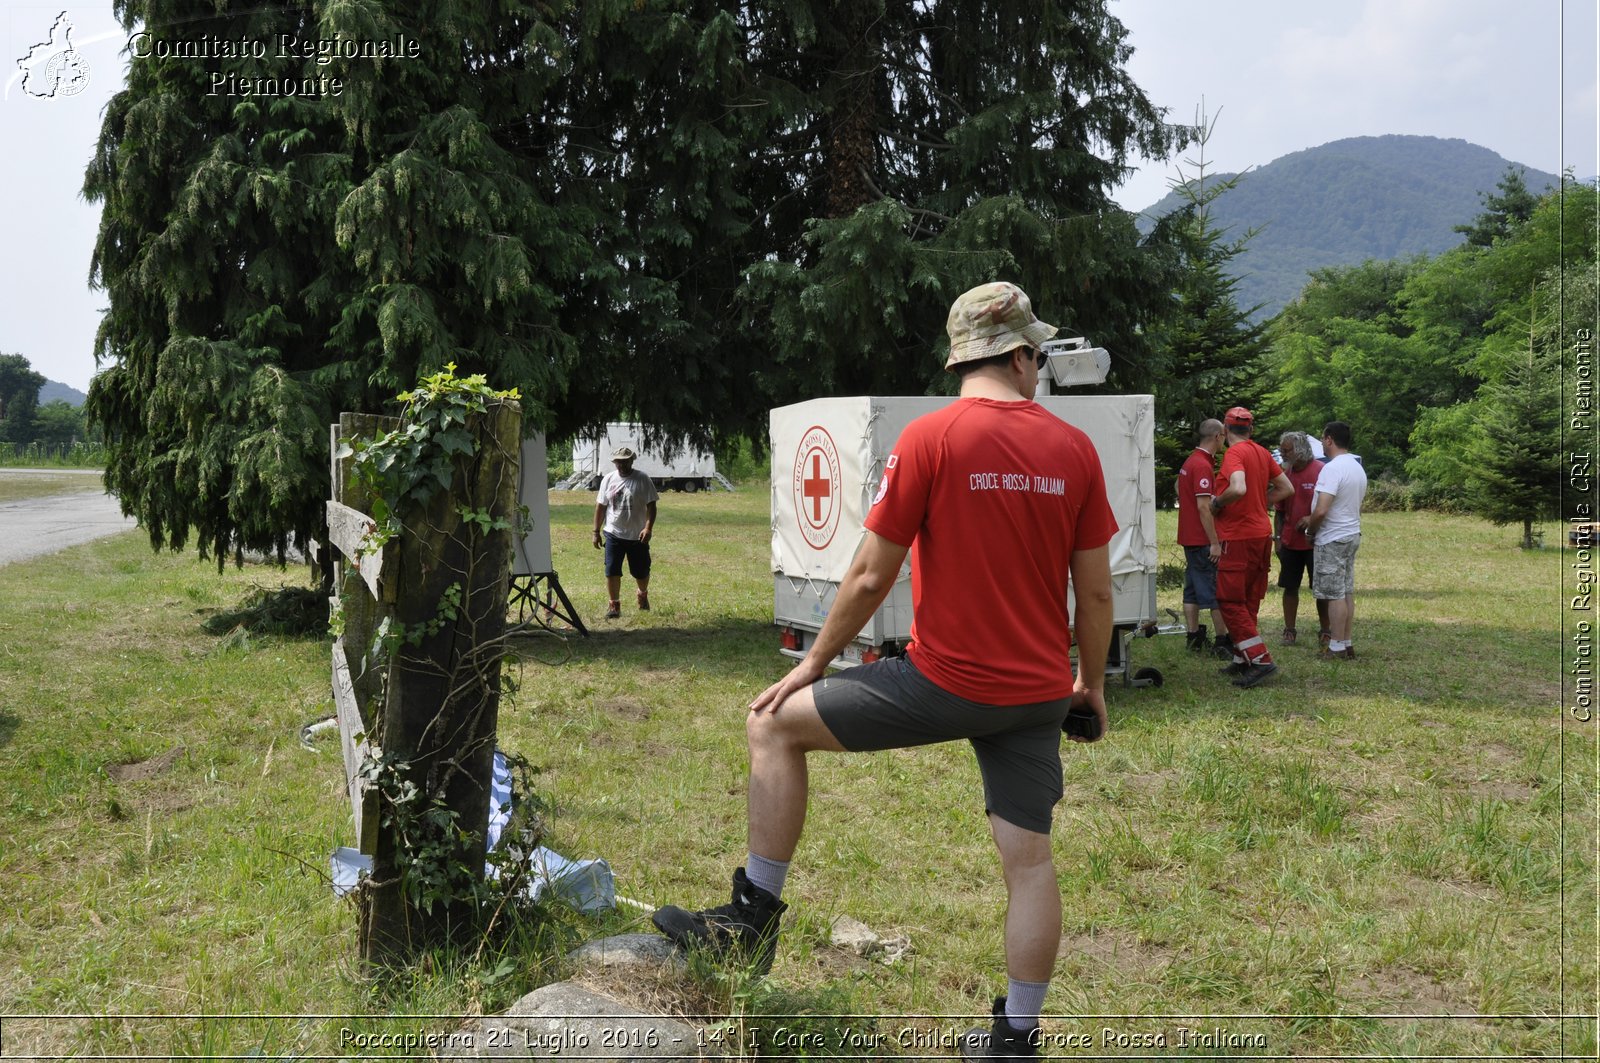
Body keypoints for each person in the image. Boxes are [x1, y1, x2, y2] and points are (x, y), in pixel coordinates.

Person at [651, 281, 1116, 1061]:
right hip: (1036, 694)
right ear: (1020, 354)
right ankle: (1017, 1039)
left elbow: (870, 577)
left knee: (770, 723)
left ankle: (751, 922)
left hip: (943, 684)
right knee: (1030, 862)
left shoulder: (931, 438)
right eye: (1038, 353)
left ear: (964, 354)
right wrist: (1090, 686)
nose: (1039, 369)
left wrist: (813, 664)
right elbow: (1097, 592)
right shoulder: (1074, 450)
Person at [1209, 407, 1293, 688]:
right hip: (1261, 535)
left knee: (1229, 600)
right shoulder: (1261, 452)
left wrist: (1217, 503)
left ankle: (1260, 659)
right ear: (1251, 429)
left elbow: (1239, 488)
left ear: (1225, 430)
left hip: (1238, 537)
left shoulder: (1235, 453)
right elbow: (1286, 488)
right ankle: (1241, 656)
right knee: (1248, 599)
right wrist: (1261, 503)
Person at [1299, 421, 1368, 661]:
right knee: (1346, 590)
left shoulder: (1331, 468)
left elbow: (1321, 510)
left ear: (1329, 439)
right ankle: (1346, 642)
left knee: (1333, 594)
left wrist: (1311, 532)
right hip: (1351, 533)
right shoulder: (1356, 467)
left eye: (1322, 439)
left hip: (1332, 537)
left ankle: (1336, 646)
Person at [1176, 419, 1231, 657]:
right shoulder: (1202, 465)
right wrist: (1215, 542)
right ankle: (1222, 640)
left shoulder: (1191, 460)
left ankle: (1193, 636)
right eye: (1224, 437)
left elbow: (1178, 486)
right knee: (1213, 591)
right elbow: (1203, 507)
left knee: (1192, 589)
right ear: (1218, 436)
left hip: (1188, 537)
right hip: (1201, 540)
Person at [1273, 431, 1329, 646]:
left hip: (1316, 542)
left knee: (1320, 589)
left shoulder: (1321, 471)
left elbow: (1328, 506)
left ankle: (1325, 630)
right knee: (1290, 587)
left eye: (1286, 450)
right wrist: (1277, 539)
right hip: (1290, 543)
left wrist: (1310, 518)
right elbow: (1278, 511)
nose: (1282, 453)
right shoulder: (1285, 474)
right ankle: (1289, 630)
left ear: (1301, 450)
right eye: (1281, 449)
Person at [592, 446, 658, 619]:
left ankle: (642, 595)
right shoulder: (608, 479)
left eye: (625, 461)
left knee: (641, 571)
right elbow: (601, 506)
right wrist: (596, 531)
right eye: (618, 462)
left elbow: (652, 506)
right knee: (612, 570)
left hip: (638, 535)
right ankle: (614, 605)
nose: (622, 465)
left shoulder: (642, 479)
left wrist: (648, 528)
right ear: (615, 463)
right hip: (613, 533)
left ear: (631, 461)